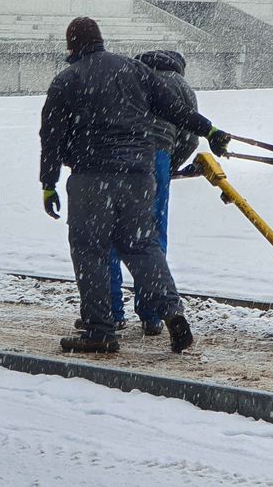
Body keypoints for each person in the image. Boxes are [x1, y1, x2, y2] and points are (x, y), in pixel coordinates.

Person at [40, 18, 231, 353]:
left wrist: (48, 183)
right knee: (143, 247)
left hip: (91, 177)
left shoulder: (67, 80)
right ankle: (171, 312)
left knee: (91, 251)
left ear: (72, 44)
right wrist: (210, 130)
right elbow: (174, 109)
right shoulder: (134, 70)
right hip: (139, 175)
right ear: (100, 39)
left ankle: (100, 330)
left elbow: (51, 137)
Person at [103, 50, 197, 336]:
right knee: (152, 237)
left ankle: (110, 312)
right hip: (158, 157)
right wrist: (170, 162)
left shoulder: (129, 77)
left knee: (110, 232)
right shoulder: (182, 86)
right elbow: (190, 136)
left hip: (122, 155)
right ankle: (153, 315)